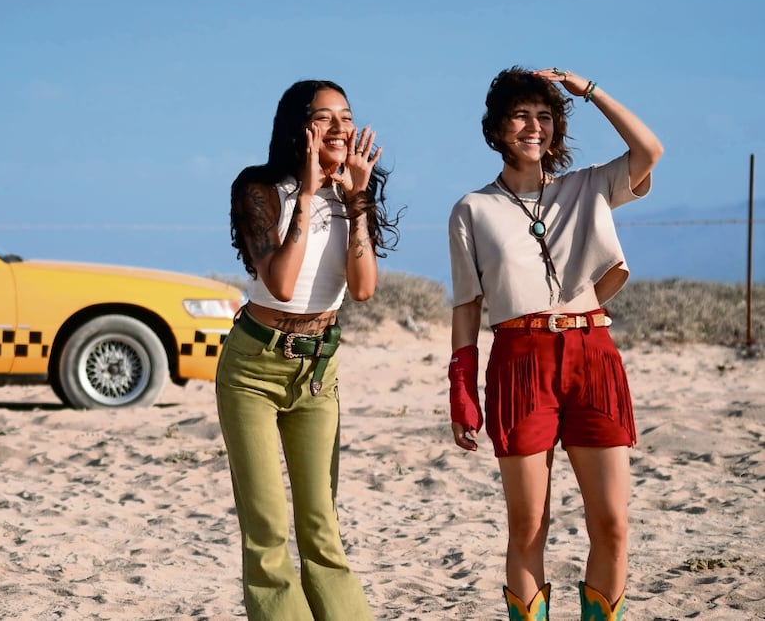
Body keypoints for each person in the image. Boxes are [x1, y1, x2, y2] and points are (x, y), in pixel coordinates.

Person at [447, 66, 663, 621]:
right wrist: (461, 388)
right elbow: (467, 304)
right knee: (528, 525)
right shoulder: (472, 209)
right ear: (497, 128)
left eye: (544, 117)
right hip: (520, 363)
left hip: (593, 356)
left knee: (612, 524)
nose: (533, 127)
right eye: (521, 116)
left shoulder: (588, 185)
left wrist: (589, 91)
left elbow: (649, 149)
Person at [215, 79, 399, 620]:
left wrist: (357, 199)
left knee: (321, 522)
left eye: (347, 116)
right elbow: (282, 284)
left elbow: (363, 289)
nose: (342, 127)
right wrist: (308, 197)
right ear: (299, 127)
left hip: (319, 368)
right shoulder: (258, 189)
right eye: (326, 117)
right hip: (253, 367)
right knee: (267, 525)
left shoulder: (353, 195)